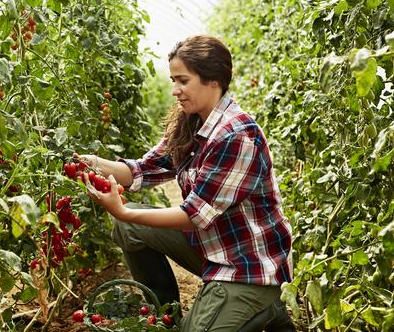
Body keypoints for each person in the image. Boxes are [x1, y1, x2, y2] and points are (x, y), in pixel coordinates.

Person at [76, 35, 295, 331]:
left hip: (247, 267)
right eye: (173, 80)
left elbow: (194, 215)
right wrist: (93, 164)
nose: (175, 90)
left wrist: (123, 211)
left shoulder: (236, 135)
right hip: (214, 250)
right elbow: (144, 170)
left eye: (183, 80)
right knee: (130, 229)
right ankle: (164, 316)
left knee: (129, 220)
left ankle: (266, 309)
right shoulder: (191, 122)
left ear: (213, 80)